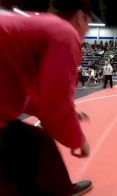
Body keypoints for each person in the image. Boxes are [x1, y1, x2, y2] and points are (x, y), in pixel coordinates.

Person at [0, 0, 93, 195]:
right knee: (37, 145)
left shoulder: (40, 27)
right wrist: (78, 140)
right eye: (89, 25)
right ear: (80, 17)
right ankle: (60, 188)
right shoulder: (64, 32)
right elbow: (54, 103)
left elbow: (35, 94)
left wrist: (69, 111)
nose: (87, 32)